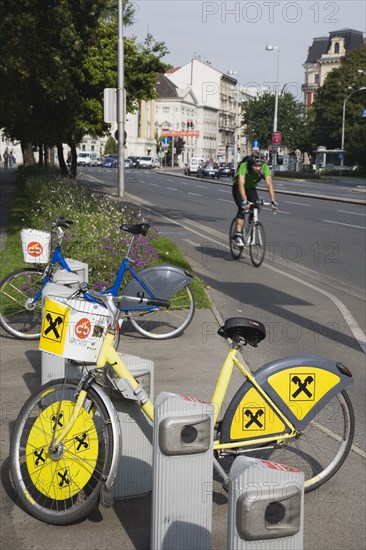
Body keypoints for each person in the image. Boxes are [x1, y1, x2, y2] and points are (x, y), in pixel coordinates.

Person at [232, 152, 278, 247]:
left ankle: (248, 227)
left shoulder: (264, 167)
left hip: (251, 188)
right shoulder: (244, 166)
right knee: (243, 208)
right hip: (238, 188)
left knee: (256, 207)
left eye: (259, 166)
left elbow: (269, 183)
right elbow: (241, 184)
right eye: (255, 166)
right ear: (251, 164)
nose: (258, 168)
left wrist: (273, 200)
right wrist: (244, 200)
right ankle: (238, 235)